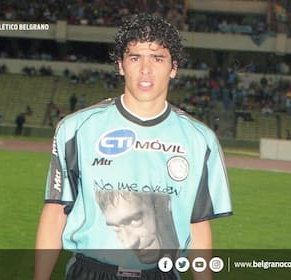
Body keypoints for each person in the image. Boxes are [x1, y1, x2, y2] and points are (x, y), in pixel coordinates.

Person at [34, 13, 232, 280]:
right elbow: (56, 211)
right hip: (90, 272)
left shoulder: (200, 140)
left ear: (174, 67)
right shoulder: (77, 128)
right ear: (120, 65)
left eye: (158, 58)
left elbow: (197, 226)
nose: (146, 69)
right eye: (135, 58)